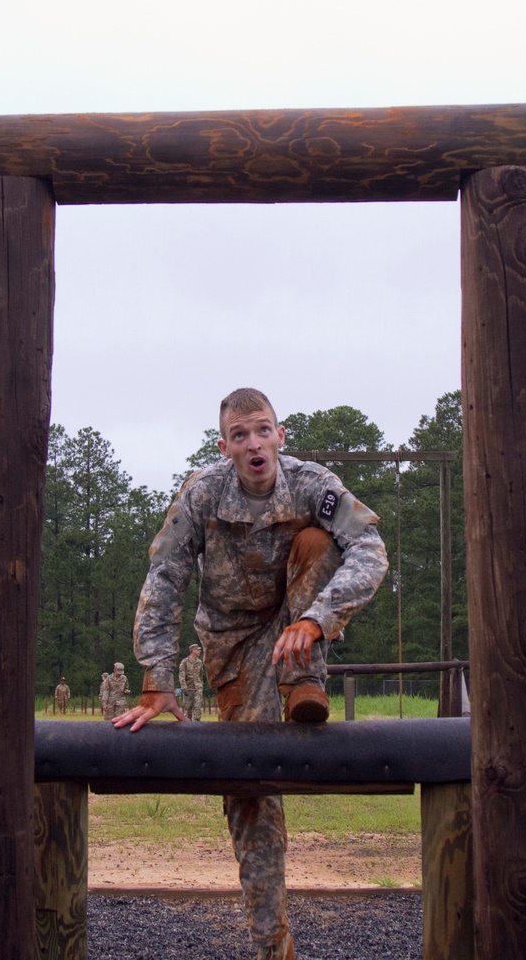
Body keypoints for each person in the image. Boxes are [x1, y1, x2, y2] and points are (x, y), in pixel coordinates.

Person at [114, 388, 388, 960]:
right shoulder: (203, 491)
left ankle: (303, 683)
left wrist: (318, 620)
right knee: (249, 784)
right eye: (240, 436)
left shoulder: (313, 485)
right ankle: (271, 942)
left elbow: (370, 551)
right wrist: (157, 679)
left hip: (297, 624)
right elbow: (164, 577)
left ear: (280, 436)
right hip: (231, 643)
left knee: (318, 540)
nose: (254, 443)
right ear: (225, 447)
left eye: (262, 430)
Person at [178, 644, 204, 721]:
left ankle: (197, 726)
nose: (200, 651)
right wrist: (184, 687)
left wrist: (200, 685)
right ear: (193, 651)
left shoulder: (199, 662)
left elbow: (201, 675)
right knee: (187, 710)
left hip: (197, 689)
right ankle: (187, 728)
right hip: (188, 689)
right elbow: (182, 675)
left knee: (197, 708)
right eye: (198, 650)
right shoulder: (185, 662)